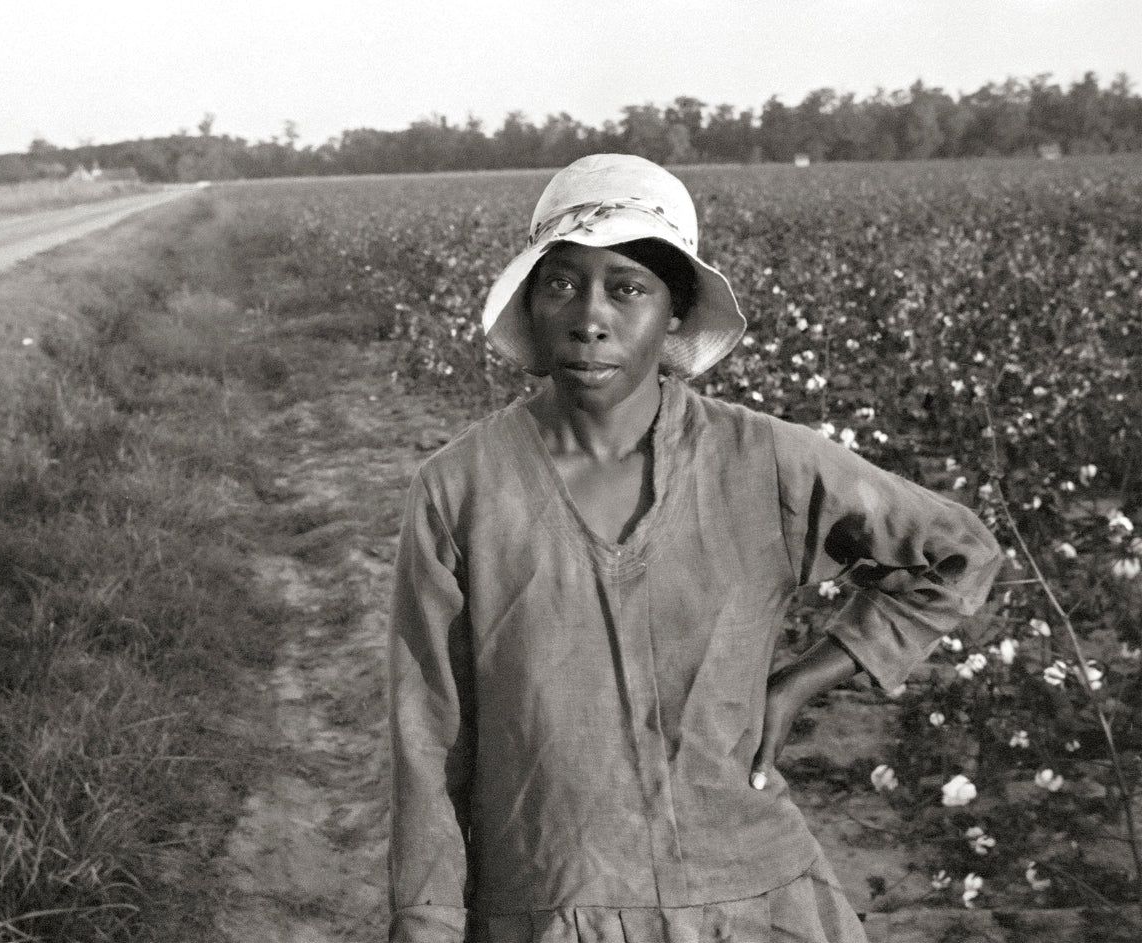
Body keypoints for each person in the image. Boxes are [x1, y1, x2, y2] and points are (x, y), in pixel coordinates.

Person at [387, 154, 1001, 943]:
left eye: (628, 286)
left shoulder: (764, 461)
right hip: (551, 892)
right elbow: (428, 731)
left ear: (676, 312)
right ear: (532, 303)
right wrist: (426, 919)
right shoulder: (460, 489)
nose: (590, 316)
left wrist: (798, 683)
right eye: (562, 282)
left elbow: (957, 554)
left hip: (747, 888)